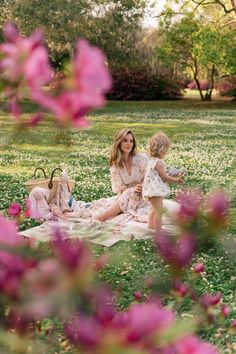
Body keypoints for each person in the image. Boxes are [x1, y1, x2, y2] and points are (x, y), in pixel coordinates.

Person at [95, 128, 149, 222]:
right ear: (119, 143)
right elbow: (120, 189)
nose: (129, 144)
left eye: (131, 141)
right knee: (128, 193)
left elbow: (150, 178)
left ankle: (101, 218)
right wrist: (132, 190)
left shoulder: (141, 158)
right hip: (126, 197)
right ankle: (101, 217)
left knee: (130, 193)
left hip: (144, 196)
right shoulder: (115, 164)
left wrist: (142, 188)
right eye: (125, 141)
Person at [142, 132, 184, 231]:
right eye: (166, 149)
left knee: (153, 210)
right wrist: (176, 180)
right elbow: (164, 177)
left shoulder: (152, 160)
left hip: (151, 190)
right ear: (161, 149)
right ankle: (158, 231)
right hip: (155, 191)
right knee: (159, 211)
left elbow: (160, 175)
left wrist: (174, 174)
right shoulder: (158, 163)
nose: (166, 152)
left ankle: (151, 227)